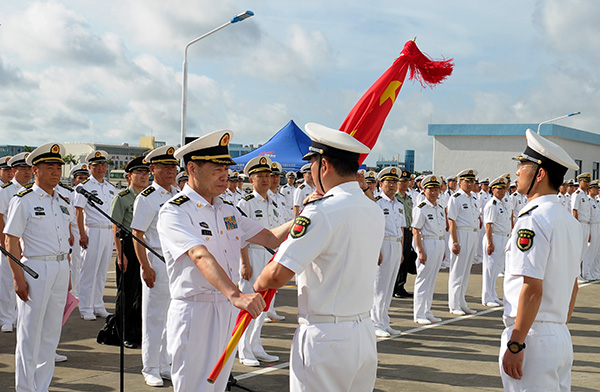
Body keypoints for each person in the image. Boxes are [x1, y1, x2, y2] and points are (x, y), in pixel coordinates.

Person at [156, 130, 291, 392]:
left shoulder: (227, 209)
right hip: (195, 310)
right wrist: (236, 295)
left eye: (226, 168)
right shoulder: (175, 211)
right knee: (193, 385)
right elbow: (199, 254)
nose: (224, 174)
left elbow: (271, 238)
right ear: (192, 168)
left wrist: (305, 216)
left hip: (225, 310)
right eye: (216, 168)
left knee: (218, 385)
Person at [254, 122, 384, 392]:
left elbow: (276, 276)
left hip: (326, 338)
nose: (311, 172)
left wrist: (259, 283)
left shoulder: (320, 212)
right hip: (363, 333)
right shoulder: (372, 209)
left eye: (312, 164)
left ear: (324, 166)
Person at [500, 129, 582, 391]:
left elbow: (532, 288)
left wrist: (516, 343)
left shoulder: (533, 219)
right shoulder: (568, 220)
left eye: (522, 165)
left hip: (531, 336)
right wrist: (556, 326)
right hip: (559, 334)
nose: (517, 172)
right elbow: (574, 285)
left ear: (540, 173)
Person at [4, 143, 73, 392]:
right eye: (49, 167)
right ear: (36, 170)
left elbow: (65, 241)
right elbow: (11, 240)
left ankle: (41, 386)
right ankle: (24, 387)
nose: (56, 172)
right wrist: (17, 277)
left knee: (51, 333)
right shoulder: (23, 200)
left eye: (58, 167)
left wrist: (67, 274)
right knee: (30, 332)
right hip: (35, 268)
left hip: (59, 267)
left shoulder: (63, 201)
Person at [131, 145, 179, 387]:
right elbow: (137, 234)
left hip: (178, 262)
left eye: (173, 166)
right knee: (153, 317)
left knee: (172, 317)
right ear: (153, 169)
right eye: (165, 166)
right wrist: (145, 266)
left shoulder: (179, 194)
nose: (171, 170)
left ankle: (165, 363)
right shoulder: (147, 197)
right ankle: (150, 367)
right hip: (157, 260)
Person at [237, 156, 281, 366]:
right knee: (250, 302)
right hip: (253, 254)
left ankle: (256, 345)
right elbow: (239, 236)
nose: (265, 179)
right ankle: (244, 349)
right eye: (260, 176)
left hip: (270, 256)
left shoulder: (274, 202)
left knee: (264, 303)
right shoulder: (245, 203)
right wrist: (245, 262)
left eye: (267, 176)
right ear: (251, 180)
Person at [109, 156, 150, 349]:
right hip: (128, 248)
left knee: (142, 294)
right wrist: (120, 254)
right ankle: (123, 333)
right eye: (139, 173)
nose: (144, 176)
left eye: (146, 172)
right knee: (126, 293)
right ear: (129, 177)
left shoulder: (150, 197)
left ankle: (139, 331)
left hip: (145, 247)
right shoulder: (123, 197)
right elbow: (116, 227)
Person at [73, 150, 116, 321]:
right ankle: (85, 307)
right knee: (89, 270)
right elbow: (78, 211)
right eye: (96, 165)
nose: (101, 168)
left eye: (103, 165)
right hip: (92, 229)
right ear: (90, 167)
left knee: (102, 271)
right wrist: (82, 234)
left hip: (107, 230)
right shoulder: (84, 187)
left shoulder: (110, 188)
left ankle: (98, 305)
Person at [0, 152, 33, 333]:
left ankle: (19, 317)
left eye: (29, 168)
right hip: (9, 242)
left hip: (27, 244)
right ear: (14, 170)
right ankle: (6, 318)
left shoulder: (32, 191)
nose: (27, 172)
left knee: (25, 283)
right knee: (7, 281)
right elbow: (0, 218)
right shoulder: (5, 191)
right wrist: (5, 245)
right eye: (23, 169)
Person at [371, 167, 404, 337]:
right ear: (380, 183)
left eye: (394, 182)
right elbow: (372, 228)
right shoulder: (376, 202)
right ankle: (375, 323)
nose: (392, 185)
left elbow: (401, 228)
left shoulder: (398, 205)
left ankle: (384, 320)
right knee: (379, 286)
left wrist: (401, 250)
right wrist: (376, 250)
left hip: (396, 244)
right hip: (383, 244)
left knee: (390, 285)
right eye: (388, 182)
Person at [412, 175, 446, 325]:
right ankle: (419, 313)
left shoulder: (439, 208)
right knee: (423, 279)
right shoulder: (421, 208)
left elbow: (441, 229)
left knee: (432, 280)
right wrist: (420, 250)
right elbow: (416, 230)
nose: (433, 192)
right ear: (424, 190)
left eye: (436, 189)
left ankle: (427, 311)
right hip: (427, 243)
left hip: (438, 243)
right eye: (430, 189)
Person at [447, 168, 480, 315]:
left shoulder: (473, 198)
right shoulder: (456, 198)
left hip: (472, 234)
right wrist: (454, 241)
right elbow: (452, 221)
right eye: (467, 181)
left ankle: (461, 301)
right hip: (461, 234)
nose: (470, 184)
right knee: (457, 271)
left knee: (466, 271)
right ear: (460, 182)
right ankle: (454, 305)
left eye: (472, 181)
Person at [481, 176, 511, 307]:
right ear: (493, 189)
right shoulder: (491, 204)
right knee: (489, 269)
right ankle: (487, 297)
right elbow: (488, 225)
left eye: (504, 188)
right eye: (499, 189)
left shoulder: (501, 204)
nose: (502, 191)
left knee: (497, 268)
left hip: (502, 237)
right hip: (494, 237)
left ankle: (493, 294)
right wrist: (490, 242)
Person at [68, 163, 90, 299]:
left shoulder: (88, 192)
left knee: (86, 264)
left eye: (86, 178)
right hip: (75, 230)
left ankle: (83, 290)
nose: (83, 181)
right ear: (74, 180)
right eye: (80, 178)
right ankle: (74, 292)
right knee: (75, 262)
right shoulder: (69, 193)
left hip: (88, 229)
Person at [393, 170, 415, 298]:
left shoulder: (408, 198)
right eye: (402, 181)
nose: (405, 184)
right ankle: (395, 287)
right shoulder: (395, 198)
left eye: (407, 181)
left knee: (405, 259)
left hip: (408, 230)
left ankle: (401, 285)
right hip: (398, 231)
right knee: (398, 260)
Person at [572, 172, 591, 281]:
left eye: (588, 182)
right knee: (578, 250)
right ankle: (575, 274)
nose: (587, 184)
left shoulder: (586, 196)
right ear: (580, 182)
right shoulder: (577, 194)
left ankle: (580, 273)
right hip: (579, 224)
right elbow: (574, 211)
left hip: (586, 224)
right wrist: (576, 227)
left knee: (583, 250)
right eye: (585, 181)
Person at [581, 180, 600, 281]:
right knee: (590, 250)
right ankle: (586, 273)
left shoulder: (595, 201)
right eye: (595, 188)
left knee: (596, 250)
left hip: (597, 225)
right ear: (590, 190)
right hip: (591, 225)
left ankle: (594, 271)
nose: (597, 190)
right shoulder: (588, 200)